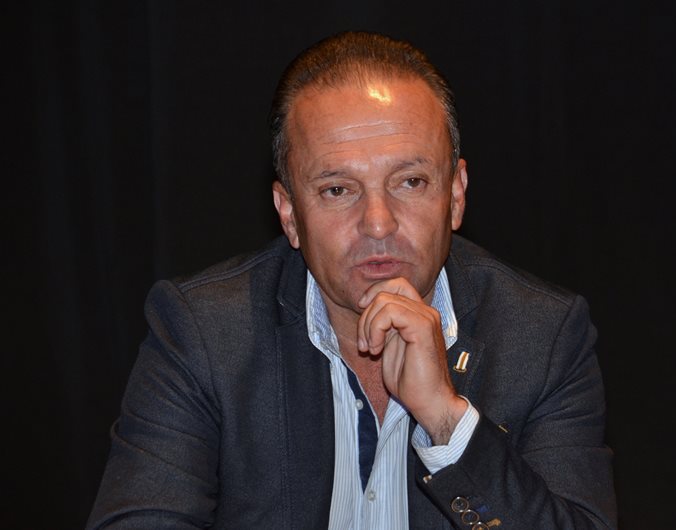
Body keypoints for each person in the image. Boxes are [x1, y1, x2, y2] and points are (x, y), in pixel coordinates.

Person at [88, 31, 616, 529]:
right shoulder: (204, 333)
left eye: (410, 182)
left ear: (455, 195)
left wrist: (446, 420)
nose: (378, 224)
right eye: (338, 190)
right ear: (289, 213)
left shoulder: (543, 336)